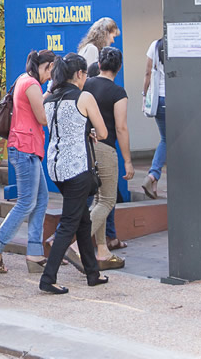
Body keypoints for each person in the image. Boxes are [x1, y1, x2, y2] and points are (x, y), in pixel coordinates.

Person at [39, 53, 110, 294]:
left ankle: (92, 272)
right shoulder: (84, 97)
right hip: (77, 168)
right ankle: (48, 278)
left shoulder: (48, 99)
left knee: (82, 220)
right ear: (79, 74)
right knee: (69, 224)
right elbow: (103, 132)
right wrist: (89, 132)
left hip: (55, 168)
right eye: (85, 75)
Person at [0, 49, 54, 274]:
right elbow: (42, 118)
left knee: (41, 199)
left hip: (26, 148)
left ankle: (34, 253)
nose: (51, 77)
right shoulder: (32, 83)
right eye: (52, 72)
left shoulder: (25, 80)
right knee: (26, 203)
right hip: (25, 149)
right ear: (49, 66)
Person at [82, 46, 132, 270]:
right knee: (107, 200)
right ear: (118, 68)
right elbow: (120, 128)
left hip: (85, 148)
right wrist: (128, 161)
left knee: (98, 199)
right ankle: (73, 244)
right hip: (104, 147)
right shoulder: (118, 93)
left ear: (99, 65)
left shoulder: (87, 84)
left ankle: (102, 250)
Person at [142, 36, 167, 199]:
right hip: (179, 100)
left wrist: (145, 95)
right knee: (172, 140)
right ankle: (153, 175)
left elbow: (148, 73)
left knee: (166, 139)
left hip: (160, 100)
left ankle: (154, 181)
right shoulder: (180, 43)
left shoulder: (156, 45)